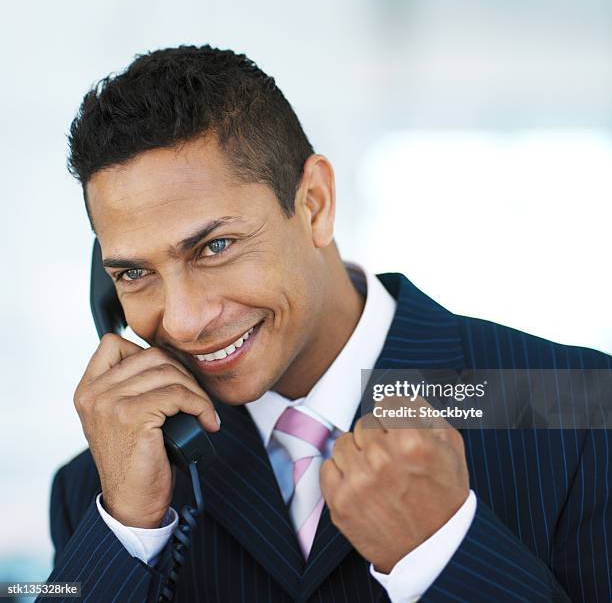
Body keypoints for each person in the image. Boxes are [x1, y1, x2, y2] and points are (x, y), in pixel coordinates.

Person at [42, 45, 610, 602]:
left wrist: (442, 555)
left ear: (314, 203)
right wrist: (127, 534)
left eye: (215, 246)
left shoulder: (576, 409)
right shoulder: (100, 490)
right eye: (135, 273)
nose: (186, 322)